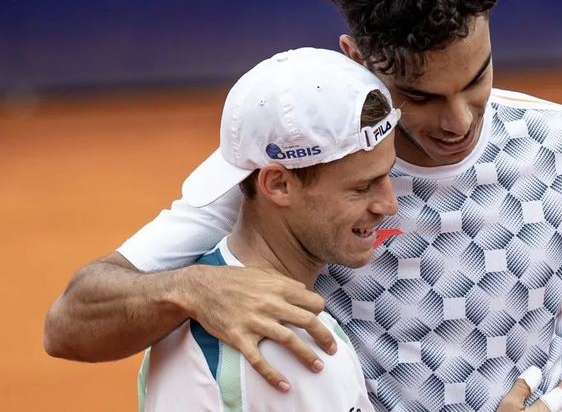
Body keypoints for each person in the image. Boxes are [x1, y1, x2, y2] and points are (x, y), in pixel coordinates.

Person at [44, 0, 562, 412]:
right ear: (356, 62)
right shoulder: (301, 160)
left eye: (476, 79)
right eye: (420, 96)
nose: (457, 121)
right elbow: (71, 321)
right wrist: (193, 287)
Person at [138, 47, 400, 411]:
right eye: (361, 187)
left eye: (386, 175)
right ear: (278, 185)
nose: (390, 205)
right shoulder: (263, 350)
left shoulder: (221, 310)